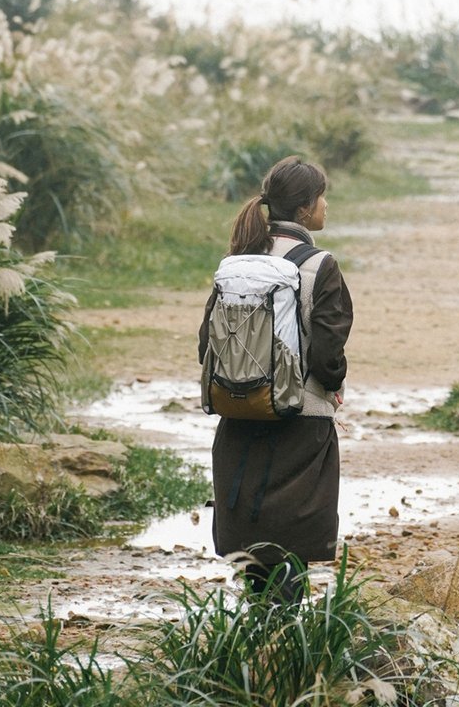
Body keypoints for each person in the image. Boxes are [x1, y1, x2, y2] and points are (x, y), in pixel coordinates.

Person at [198, 156, 353, 604]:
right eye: (322, 197)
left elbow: (206, 342)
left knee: (256, 553)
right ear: (305, 209)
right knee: (290, 552)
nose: (326, 205)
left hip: (239, 419)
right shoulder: (320, 266)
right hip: (300, 426)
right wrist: (336, 383)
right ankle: (284, 651)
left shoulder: (237, 261)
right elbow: (327, 357)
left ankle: (259, 643)